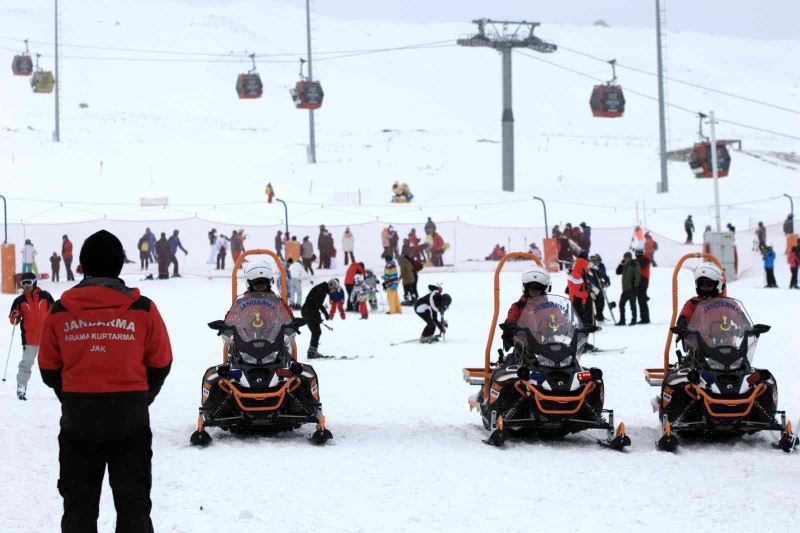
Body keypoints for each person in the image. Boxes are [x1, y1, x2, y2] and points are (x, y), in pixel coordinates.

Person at [38, 230, 172, 532]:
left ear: (82, 266)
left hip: (78, 423)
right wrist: (140, 396)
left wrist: (73, 395)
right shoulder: (143, 309)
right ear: (119, 266)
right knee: (134, 510)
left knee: (78, 511)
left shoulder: (60, 311)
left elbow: (48, 368)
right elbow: (161, 362)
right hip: (131, 421)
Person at [8, 272, 54, 400]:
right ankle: (21, 388)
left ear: (34, 282)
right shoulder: (19, 301)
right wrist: (14, 316)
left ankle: (63, 387)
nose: (25, 286)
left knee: (56, 362)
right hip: (30, 340)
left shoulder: (45, 296)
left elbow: (54, 313)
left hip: (46, 339)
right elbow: (14, 321)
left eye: (28, 282)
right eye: (23, 283)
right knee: (26, 364)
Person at [500, 266, 551, 362]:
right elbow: (510, 320)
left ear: (543, 290)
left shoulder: (550, 307)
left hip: (547, 346)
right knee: (519, 361)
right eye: (532, 289)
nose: (534, 292)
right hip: (524, 348)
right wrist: (509, 328)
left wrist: (566, 327)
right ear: (527, 290)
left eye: (537, 289)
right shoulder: (518, 307)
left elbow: (560, 320)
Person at [673, 262, 725, 331]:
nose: (705, 288)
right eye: (702, 284)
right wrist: (682, 325)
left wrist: (744, 327)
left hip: (724, 340)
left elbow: (737, 314)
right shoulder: (693, 303)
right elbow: (685, 315)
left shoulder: (725, 304)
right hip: (698, 340)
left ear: (717, 285)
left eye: (709, 285)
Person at [301, 279, 335, 358]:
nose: (333, 291)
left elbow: (317, 304)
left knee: (316, 331)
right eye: (334, 289)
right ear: (330, 285)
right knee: (316, 331)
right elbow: (317, 304)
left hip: (308, 311)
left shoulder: (322, 288)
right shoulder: (322, 290)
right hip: (309, 311)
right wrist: (323, 315)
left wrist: (324, 314)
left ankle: (312, 351)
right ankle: (312, 352)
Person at [567, 251, 593, 329]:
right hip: (576, 298)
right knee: (579, 312)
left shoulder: (579, 273)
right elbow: (574, 290)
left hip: (578, 298)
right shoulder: (576, 275)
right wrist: (584, 294)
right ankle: (582, 326)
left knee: (581, 312)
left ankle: (585, 324)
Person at [615, 251, 641, 325]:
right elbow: (617, 272)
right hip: (625, 289)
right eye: (624, 257)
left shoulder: (634, 264)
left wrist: (635, 287)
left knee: (632, 305)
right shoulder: (624, 265)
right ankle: (622, 320)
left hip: (631, 289)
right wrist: (621, 264)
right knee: (621, 304)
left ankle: (634, 320)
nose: (625, 259)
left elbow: (637, 276)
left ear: (630, 258)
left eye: (627, 257)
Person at [588, 254, 610, 321]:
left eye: (595, 260)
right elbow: (588, 278)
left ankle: (599, 315)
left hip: (599, 287)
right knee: (594, 303)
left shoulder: (598, 267)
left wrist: (607, 281)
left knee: (601, 302)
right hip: (592, 288)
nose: (594, 262)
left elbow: (603, 275)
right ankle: (595, 316)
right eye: (593, 261)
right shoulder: (588, 268)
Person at [634, 246, 651, 324]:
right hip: (640, 280)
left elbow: (642, 264)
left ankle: (645, 318)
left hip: (643, 280)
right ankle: (644, 318)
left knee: (642, 300)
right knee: (641, 300)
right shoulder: (640, 259)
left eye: (638, 253)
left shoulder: (645, 259)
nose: (637, 254)